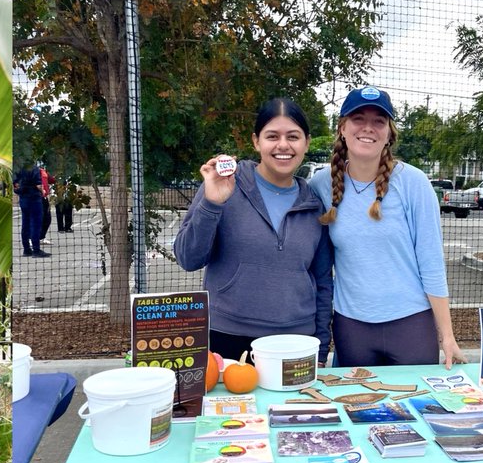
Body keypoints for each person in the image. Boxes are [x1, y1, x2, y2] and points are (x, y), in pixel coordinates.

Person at [311, 86, 466, 369]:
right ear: (342, 128)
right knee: (355, 397)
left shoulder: (414, 183)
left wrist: (447, 335)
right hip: (351, 327)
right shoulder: (321, 184)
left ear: (389, 134)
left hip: (410, 325)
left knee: (418, 397)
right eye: (358, 119)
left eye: (379, 121)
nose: (368, 128)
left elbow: (431, 263)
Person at [174, 98, 333, 363]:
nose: (283, 145)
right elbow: (188, 259)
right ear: (256, 141)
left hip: (296, 342)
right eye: (272, 136)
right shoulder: (225, 184)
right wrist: (211, 204)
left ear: (306, 142)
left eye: (293, 136)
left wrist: (321, 348)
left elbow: (323, 282)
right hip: (227, 337)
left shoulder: (315, 205)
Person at [13, 161, 49, 258]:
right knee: (35, 224)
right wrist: (43, 191)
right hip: (34, 199)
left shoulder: (17, 167)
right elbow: (38, 184)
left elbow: (15, 185)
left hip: (23, 199)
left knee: (25, 224)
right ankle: (36, 250)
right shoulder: (33, 168)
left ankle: (26, 249)